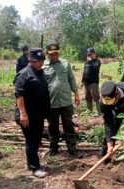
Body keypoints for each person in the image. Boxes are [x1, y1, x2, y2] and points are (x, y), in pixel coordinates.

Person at [14, 48, 50, 178]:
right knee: (31, 140)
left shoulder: (40, 73)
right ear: (30, 61)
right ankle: (35, 168)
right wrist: (23, 114)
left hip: (38, 115)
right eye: (37, 61)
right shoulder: (24, 74)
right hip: (28, 116)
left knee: (36, 139)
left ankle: (32, 163)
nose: (40, 63)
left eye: (41, 60)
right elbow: (19, 96)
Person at [43, 41, 81, 157]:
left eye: (56, 53)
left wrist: (76, 94)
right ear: (47, 53)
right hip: (51, 102)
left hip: (65, 101)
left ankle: (72, 150)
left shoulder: (65, 63)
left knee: (68, 126)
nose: (54, 55)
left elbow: (71, 78)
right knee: (52, 127)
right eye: (51, 54)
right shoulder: (43, 66)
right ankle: (54, 148)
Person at [81, 48, 101, 116]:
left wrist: (90, 61)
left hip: (93, 83)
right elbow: (84, 72)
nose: (89, 56)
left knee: (96, 97)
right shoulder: (86, 62)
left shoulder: (97, 61)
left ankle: (98, 112)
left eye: (90, 54)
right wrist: (82, 81)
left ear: (94, 54)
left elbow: (95, 68)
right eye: (88, 54)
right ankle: (89, 110)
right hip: (86, 82)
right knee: (87, 97)